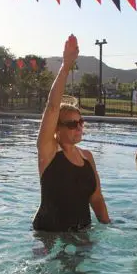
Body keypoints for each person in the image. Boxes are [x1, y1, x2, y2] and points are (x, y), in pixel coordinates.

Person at [33, 34, 110, 232]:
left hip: (82, 235)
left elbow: (96, 198)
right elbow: (51, 108)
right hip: (50, 236)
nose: (79, 127)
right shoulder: (49, 152)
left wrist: (108, 226)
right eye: (72, 124)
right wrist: (66, 66)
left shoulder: (87, 157)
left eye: (81, 122)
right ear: (56, 128)